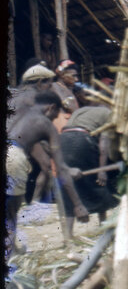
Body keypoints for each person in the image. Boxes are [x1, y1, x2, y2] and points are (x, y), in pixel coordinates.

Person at [7, 91, 88, 253]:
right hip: (14, 157)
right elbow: (60, 169)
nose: (54, 119)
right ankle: (10, 255)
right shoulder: (45, 124)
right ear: (51, 108)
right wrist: (78, 205)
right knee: (11, 212)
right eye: (55, 115)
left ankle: (12, 248)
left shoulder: (21, 113)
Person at [57, 105, 120, 237]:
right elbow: (104, 143)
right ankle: (104, 226)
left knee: (69, 185)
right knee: (98, 183)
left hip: (62, 141)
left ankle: (68, 235)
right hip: (82, 140)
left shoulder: (82, 110)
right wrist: (101, 170)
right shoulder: (108, 113)